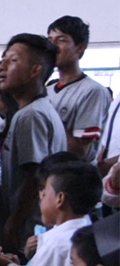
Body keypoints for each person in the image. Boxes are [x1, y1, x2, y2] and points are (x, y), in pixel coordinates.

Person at [0, 33, 67, 255]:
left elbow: (33, 175)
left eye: (13, 60)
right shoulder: (35, 110)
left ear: (35, 71)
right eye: (3, 59)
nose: (2, 66)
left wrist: (12, 224)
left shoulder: (31, 115)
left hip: (30, 228)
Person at [46, 16, 111, 163]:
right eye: (50, 40)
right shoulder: (48, 89)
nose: (52, 46)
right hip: (48, 176)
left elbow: (80, 152)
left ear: (80, 47)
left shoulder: (93, 90)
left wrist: (46, 111)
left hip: (74, 180)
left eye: (61, 40)